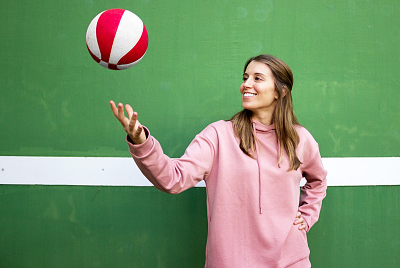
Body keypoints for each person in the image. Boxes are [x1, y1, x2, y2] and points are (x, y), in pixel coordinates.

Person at [110, 54, 327, 267]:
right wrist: (141, 141)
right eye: (245, 78)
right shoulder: (218, 135)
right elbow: (173, 178)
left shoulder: (300, 139)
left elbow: (318, 181)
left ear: (281, 91)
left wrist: (306, 217)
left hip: (291, 261)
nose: (246, 84)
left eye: (257, 78)